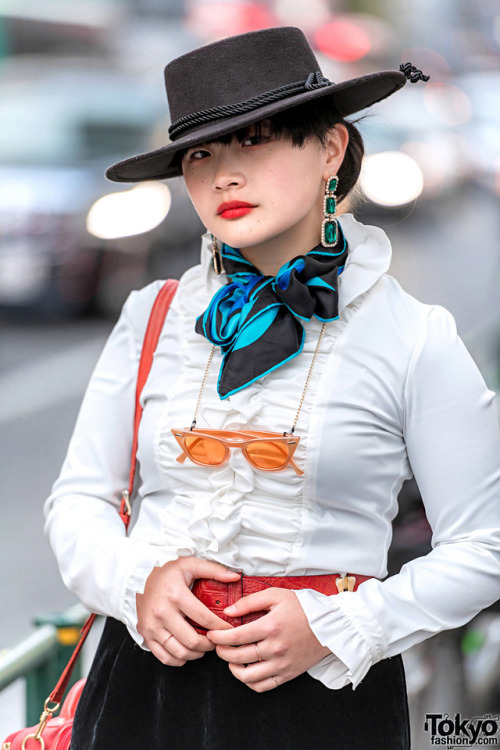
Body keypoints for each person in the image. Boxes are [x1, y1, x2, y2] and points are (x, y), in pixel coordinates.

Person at [44, 26, 500, 750]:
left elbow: (485, 545)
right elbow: (78, 500)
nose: (223, 175)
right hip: (144, 689)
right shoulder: (152, 316)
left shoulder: (415, 336)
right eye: (201, 154)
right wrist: (138, 583)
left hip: (324, 697)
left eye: (253, 141)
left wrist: (339, 627)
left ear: (330, 150)